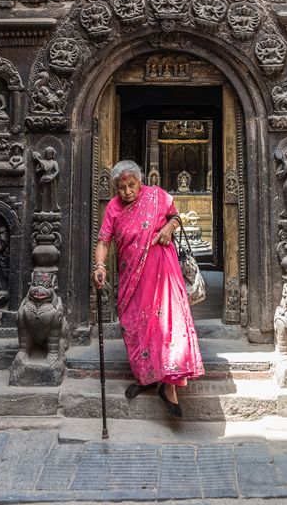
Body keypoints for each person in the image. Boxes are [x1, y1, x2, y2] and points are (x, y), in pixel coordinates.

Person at [92, 159, 204, 419]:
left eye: (132, 185)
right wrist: (100, 266)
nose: (127, 191)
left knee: (169, 323)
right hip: (132, 276)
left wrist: (168, 227)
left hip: (163, 270)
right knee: (137, 325)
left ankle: (170, 385)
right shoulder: (113, 208)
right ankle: (148, 376)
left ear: (141, 182)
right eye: (121, 187)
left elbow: (175, 216)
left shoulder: (156, 196)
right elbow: (103, 240)